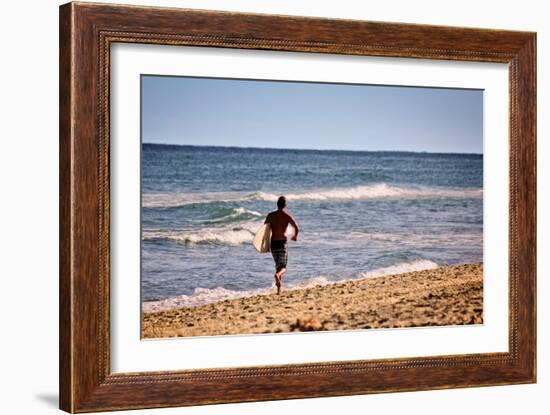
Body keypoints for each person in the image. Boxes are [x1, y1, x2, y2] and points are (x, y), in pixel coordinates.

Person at [264, 196, 300, 295]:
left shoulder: (270, 215)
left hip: (273, 243)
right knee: (283, 267)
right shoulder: (287, 216)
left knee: (277, 265)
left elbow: (265, 231)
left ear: (277, 204)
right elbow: (296, 227)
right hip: (282, 243)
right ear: (285, 205)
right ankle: (277, 276)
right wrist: (294, 236)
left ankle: (279, 289)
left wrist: (265, 244)